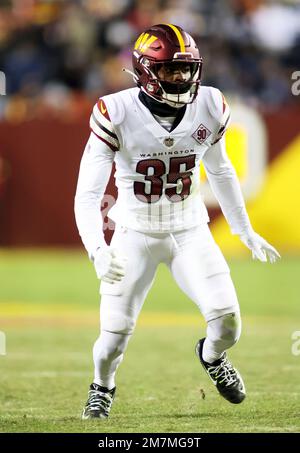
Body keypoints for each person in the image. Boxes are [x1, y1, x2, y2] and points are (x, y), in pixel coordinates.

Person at [74, 24, 280, 420]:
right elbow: (87, 194)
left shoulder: (211, 104)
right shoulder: (115, 111)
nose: (181, 78)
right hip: (133, 233)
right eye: (170, 70)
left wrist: (244, 229)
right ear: (146, 69)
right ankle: (102, 386)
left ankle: (212, 356)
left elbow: (221, 172)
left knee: (228, 323)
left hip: (189, 230)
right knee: (113, 337)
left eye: (186, 69)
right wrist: (98, 249)